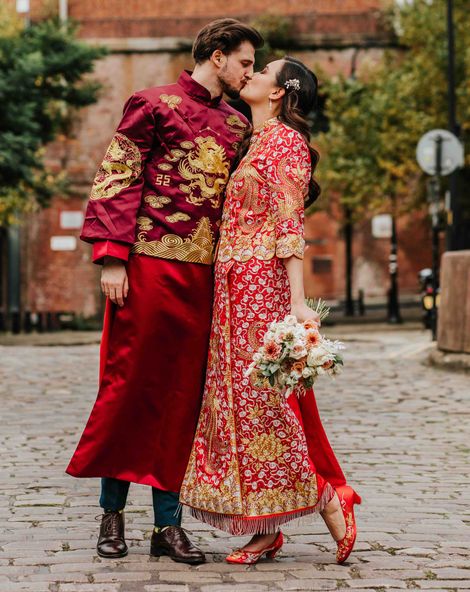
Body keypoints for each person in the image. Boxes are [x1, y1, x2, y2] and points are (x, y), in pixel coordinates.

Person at [66, 18, 263, 564]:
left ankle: (167, 527)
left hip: (204, 279)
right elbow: (118, 177)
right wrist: (112, 258)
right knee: (129, 390)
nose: (248, 72)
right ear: (218, 55)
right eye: (244, 61)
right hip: (148, 269)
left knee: (184, 399)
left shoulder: (236, 122)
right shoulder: (152, 103)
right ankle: (111, 516)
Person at [180, 56, 362, 565]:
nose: (252, 75)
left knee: (267, 405)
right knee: (234, 407)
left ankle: (328, 498)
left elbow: (288, 225)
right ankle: (265, 528)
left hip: (261, 287)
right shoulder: (253, 141)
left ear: (280, 92)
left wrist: (298, 301)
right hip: (231, 288)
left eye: (262, 72)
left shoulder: (286, 143)